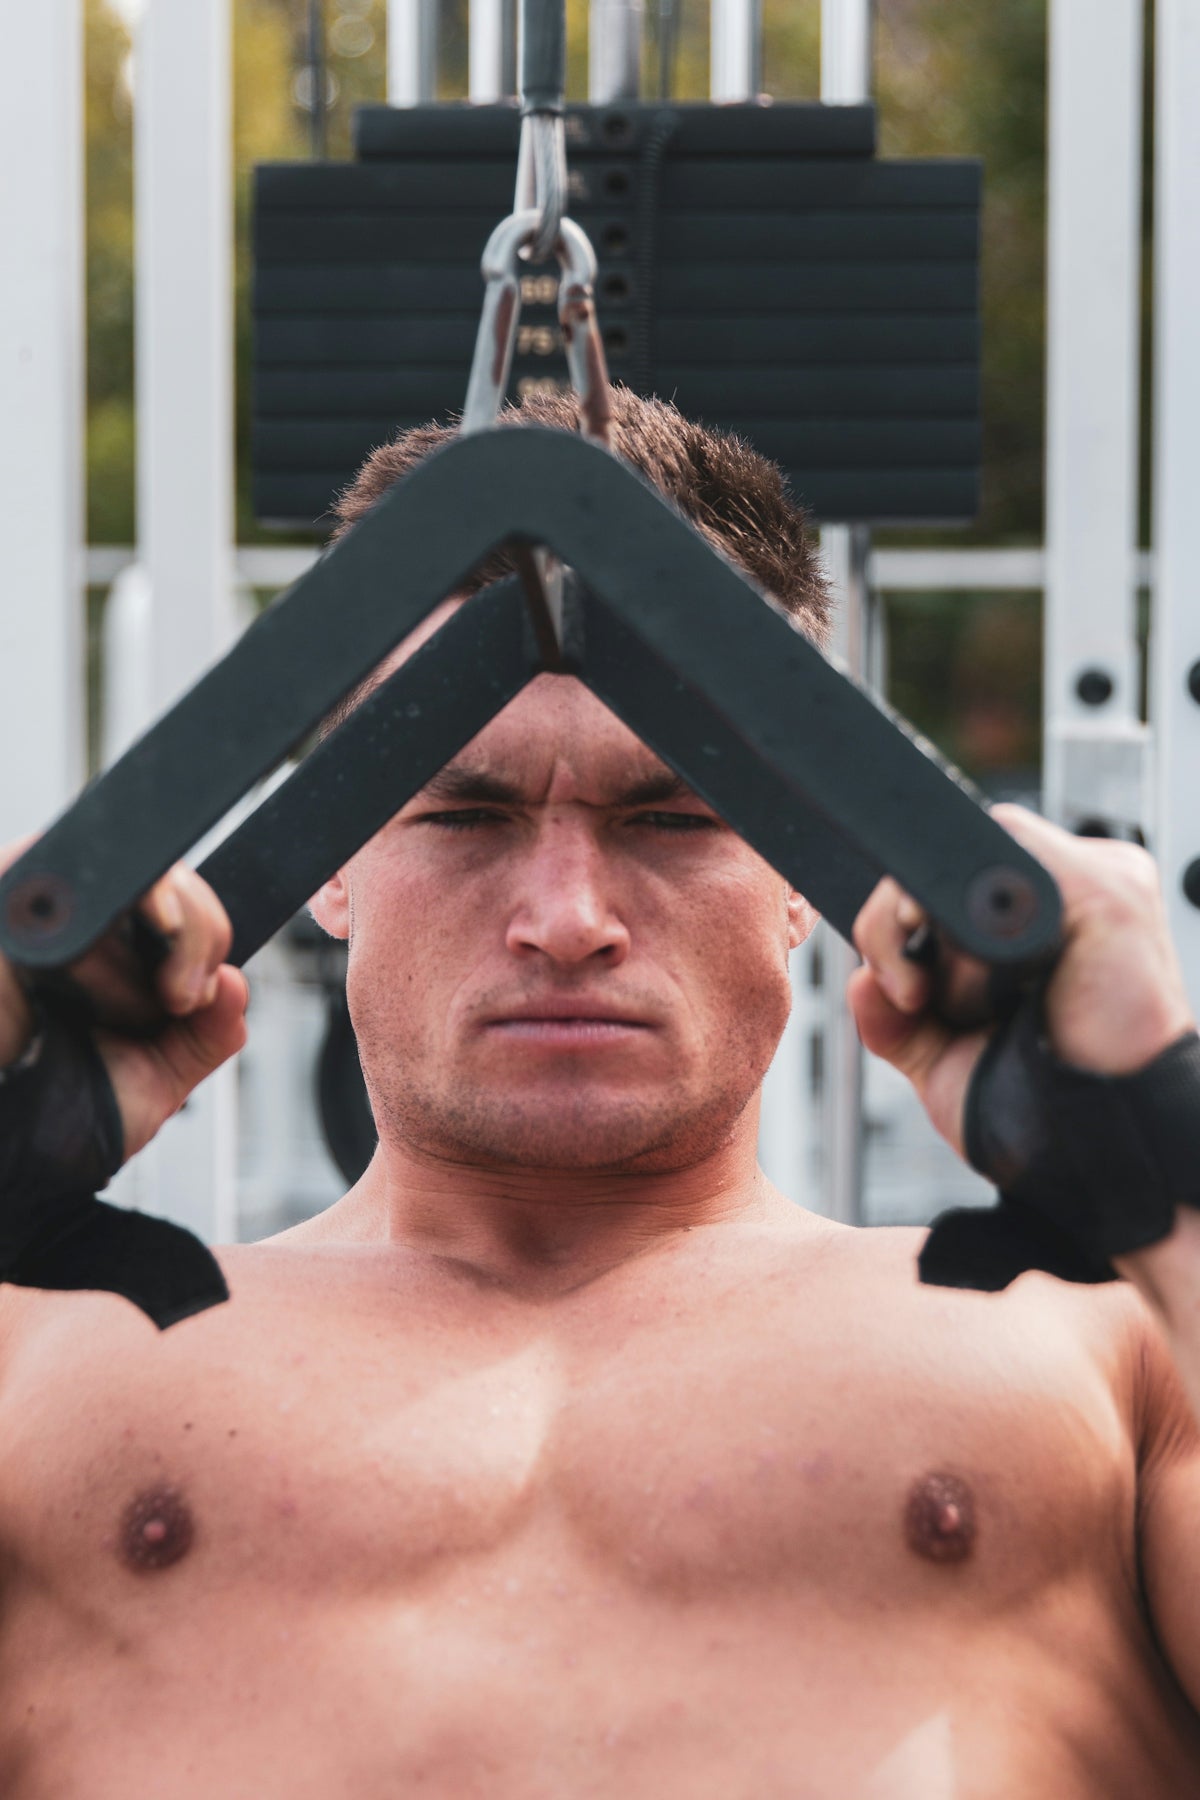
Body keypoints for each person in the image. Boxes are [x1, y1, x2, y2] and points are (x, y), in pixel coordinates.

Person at [0, 389, 1198, 1799]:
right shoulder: (33, 1366)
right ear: (330, 865)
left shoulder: (1122, 1349)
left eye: (673, 815)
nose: (567, 920)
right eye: (465, 813)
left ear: (805, 875)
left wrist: (1165, 1153)